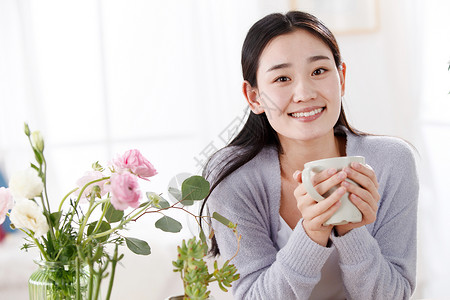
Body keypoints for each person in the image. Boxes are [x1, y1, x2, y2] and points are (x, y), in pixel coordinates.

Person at [202, 11, 419, 300]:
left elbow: (393, 295)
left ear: (341, 78)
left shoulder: (393, 162)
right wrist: (312, 234)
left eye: (318, 71)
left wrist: (351, 231)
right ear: (254, 97)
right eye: (282, 78)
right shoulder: (231, 177)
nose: (304, 93)